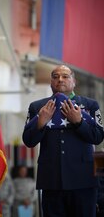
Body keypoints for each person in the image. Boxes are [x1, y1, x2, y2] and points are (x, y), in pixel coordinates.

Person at [22, 64, 104, 217]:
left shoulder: (90, 105)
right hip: (51, 181)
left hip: (83, 180)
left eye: (65, 76)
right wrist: (40, 122)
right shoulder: (38, 107)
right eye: (55, 76)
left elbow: (98, 136)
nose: (60, 79)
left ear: (74, 81)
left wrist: (79, 122)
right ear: (51, 82)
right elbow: (28, 140)